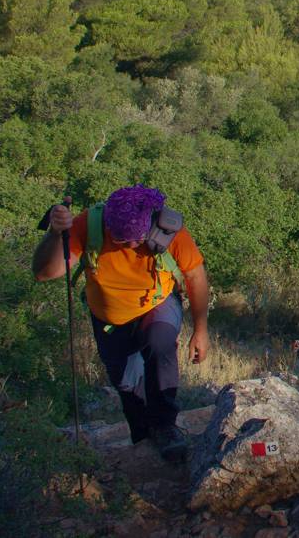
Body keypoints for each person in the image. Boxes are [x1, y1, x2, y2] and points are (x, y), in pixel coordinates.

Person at [33, 185, 210, 462]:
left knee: (160, 342)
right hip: (109, 319)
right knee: (127, 382)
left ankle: (165, 426)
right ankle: (142, 435)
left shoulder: (171, 231)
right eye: (117, 239)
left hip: (157, 304)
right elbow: (44, 273)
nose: (127, 246)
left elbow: (196, 276)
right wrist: (56, 235)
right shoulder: (88, 225)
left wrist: (200, 331)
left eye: (134, 241)